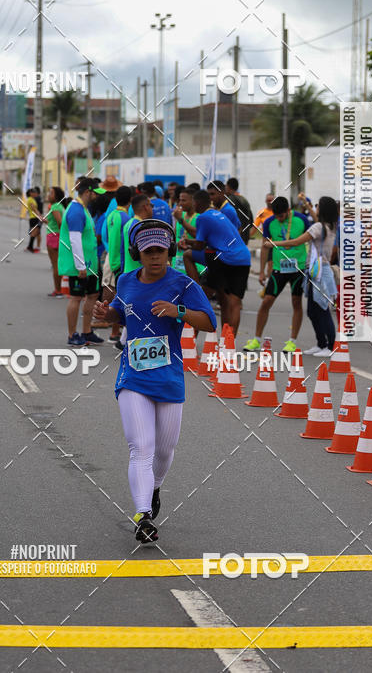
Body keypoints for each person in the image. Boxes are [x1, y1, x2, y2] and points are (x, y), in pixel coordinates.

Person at [93, 219, 216, 543]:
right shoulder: (126, 281)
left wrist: (178, 311)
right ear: (138, 253)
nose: (155, 257)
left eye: (160, 250)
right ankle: (143, 514)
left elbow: (209, 322)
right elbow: (123, 310)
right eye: (148, 251)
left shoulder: (185, 284)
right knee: (141, 447)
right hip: (133, 376)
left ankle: (155, 486)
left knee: (164, 450)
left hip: (169, 377)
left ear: (170, 251)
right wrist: (109, 315)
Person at [266, 196, 338, 357]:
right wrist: (306, 204)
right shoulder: (330, 226)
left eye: (318, 207)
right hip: (318, 270)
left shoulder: (319, 227)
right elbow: (316, 218)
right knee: (313, 311)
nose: (315, 209)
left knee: (322, 309)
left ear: (323, 210)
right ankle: (321, 344)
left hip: (319, 271)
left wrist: (273, 244)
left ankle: (331, 346)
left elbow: (296, 242)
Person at [179, 189, 251, 335]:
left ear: (196, 203)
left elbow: (199, 245)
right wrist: (189, 241)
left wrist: (186, 240)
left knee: (188, 256)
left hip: (223, 258)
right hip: (243, 257)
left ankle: (196, 286)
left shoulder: (203, 217)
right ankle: (229, 343)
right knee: (231, 302)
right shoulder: (219, 213)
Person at [244, 196, 311, 353]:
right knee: (266, 301)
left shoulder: (301, 219)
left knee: (296, 301)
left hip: (298, 267)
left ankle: (292, 341)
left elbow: (310, 238)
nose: (279, 218)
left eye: (281, 216)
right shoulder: (269, 222)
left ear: (288, 211)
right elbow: (265, 246)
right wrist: (261, 272)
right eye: (276, 215)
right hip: (279, 267)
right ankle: (256, 339)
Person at [57, 178, 104, 347]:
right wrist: (80, 265)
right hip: (81, 266)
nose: (96, 196)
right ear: (87, 192)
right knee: (76, 298)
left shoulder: (84, 209)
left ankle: (87, 331)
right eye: (95, 193)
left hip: (90, 264)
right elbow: (74, 239)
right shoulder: (76, 210)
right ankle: (72, 334)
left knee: (92, 296)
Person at [105, 186, 132, 348]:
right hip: (120, 262)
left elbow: (109, 237)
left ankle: (117, 335)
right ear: (129, 200)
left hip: (111, 258)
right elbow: (124, 244)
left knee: (118, 298)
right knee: (121, 299)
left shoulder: (112, 215)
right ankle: (116, 335)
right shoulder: (125, 218)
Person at [122, 193, 153, 273]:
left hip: (129, 271)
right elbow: (141, 254)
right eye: (151, 205)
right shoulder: (139, 226)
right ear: (146, 207)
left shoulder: (128, 224)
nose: (152, 208)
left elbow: (122, 251)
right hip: (137, 274)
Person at [45, 186, 65, 295]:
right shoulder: (59, 206)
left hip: (54, 237)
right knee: (57, 264)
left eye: (51, 193)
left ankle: (58, 290)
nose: (49, 195)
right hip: (56, 235)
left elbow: (60, 222)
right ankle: (59, 289)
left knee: (55, 265)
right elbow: (50, 222)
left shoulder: (54, 206)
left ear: (56, 196)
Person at [225, 178, 253, 242]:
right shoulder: (244, 200)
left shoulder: (229, 201)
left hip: (232, 238)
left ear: (228, 187)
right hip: (244, 238)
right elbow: (251, 221)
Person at [25, 188, 41, 253]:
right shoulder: (30, 200)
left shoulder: (32, 199)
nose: (35, 194)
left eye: (36, 192)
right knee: (34, 233)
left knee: (35, 233)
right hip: (34, 218)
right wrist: (39, 215)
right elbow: (34, 208)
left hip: (34, 218)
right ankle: (30, 247)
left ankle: (30, 246)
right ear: (30, 193)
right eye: (33, 192)